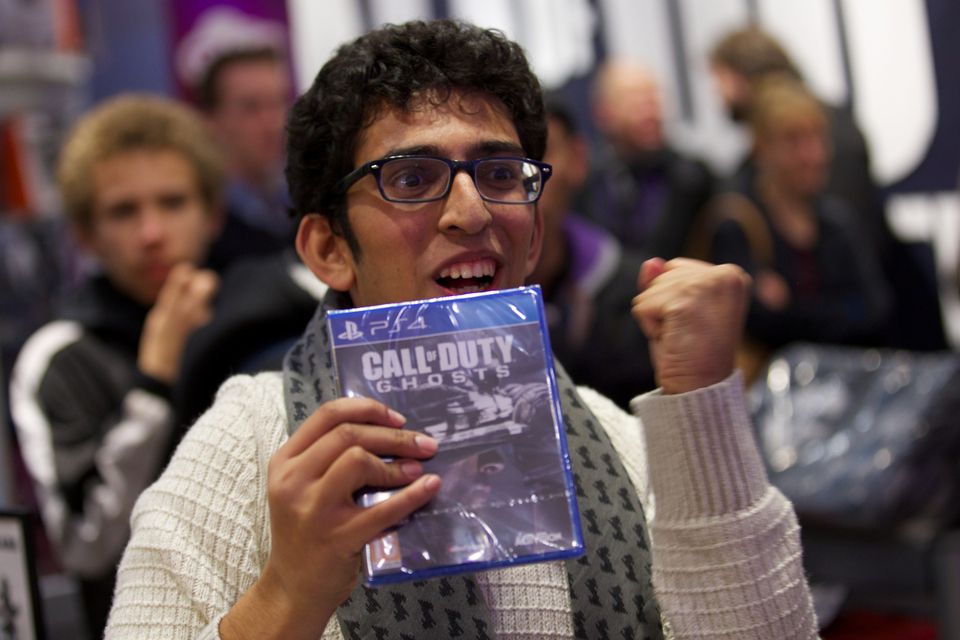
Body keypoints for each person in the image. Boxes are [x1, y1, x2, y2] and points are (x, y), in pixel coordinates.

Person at [105, 20, 818, 639]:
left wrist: (701, 403)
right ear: (328, 248)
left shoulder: (624, 447)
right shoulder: (244, 450)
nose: (472, 211)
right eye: (411, 179)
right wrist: (287, 595)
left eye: (501, 173)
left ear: (535, 233)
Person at [8, 95, 223, 637]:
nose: (151, 232)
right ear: (84, 233)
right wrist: (153, 383)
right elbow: (85, 546)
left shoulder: (260, 317)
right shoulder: (61, 356)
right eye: (123, 211)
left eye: (172, 202)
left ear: (211, 215)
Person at [692, 77, 892, 381]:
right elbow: (750, 324)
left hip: (843, 386)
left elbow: (874, 312)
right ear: (762, 148)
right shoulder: (738, 224)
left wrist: (791, 308)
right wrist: (835, 312)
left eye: (818, 138)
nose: (812, 155)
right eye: (794, 141)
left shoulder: (838, 222)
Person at [526, 98, 655, 407]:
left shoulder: (634, 290)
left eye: (536, 155)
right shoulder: (454, 296)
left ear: (578, 159)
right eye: (498, 164)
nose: (521, 177)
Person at [187, 31, 295, 271]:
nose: (273, 122)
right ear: (212, 120)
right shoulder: (201, 225)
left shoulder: (304, 200)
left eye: (278, 102)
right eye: (251, 108)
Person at [585, 59, 715, 259]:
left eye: (652, 98)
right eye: (634, 100)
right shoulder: (586, 184)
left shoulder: (696, 178)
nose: (649, 112)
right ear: (603, 113)